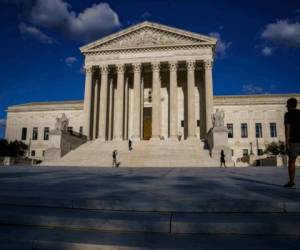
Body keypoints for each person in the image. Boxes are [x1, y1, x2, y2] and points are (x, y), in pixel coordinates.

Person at [284, 98, 300, 188]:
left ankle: (291, 181)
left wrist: (287, 142)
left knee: (292, 162)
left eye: (287, 105)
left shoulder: (288, 114)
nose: (286, 106)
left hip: (293, 141)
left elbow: (287, 128)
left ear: (290, 105)